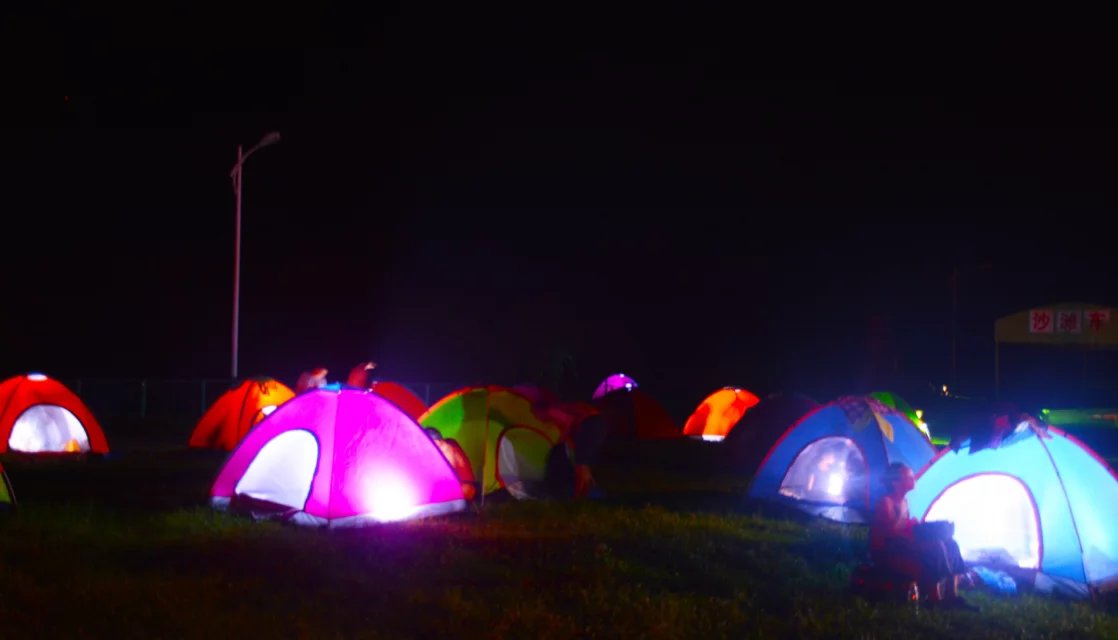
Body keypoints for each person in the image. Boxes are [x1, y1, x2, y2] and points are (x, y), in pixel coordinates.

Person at [870, 462, 979, 610]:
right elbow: (885, 536)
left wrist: (918, 527)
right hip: (889, 550)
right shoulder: (886, 503)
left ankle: (951, 595)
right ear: (895, 482)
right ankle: (935, 598)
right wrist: (913, 530)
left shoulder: (904, 501)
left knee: (951, 543)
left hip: (903, 543)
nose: (913, 479)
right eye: (908, 477)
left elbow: (903, 527)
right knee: (935, 546)